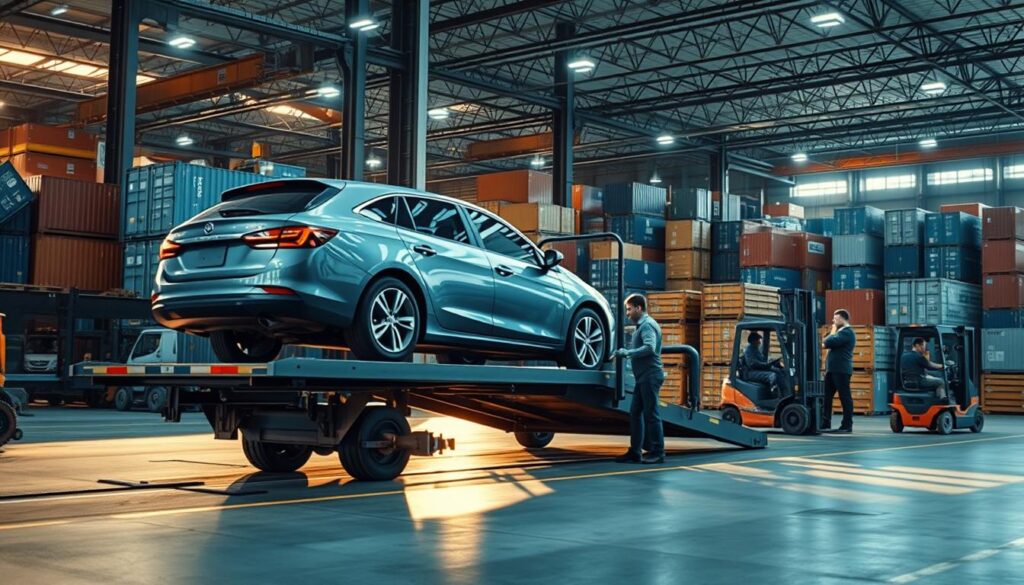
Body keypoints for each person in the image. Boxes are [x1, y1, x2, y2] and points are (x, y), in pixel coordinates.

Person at [612, 294, 666, 465]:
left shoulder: (647, 325)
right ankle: (635, 451)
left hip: (650, 376)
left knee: (651, 415)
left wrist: (627, 353)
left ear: (638, 308)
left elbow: (650, 347)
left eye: (629, 309)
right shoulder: (641, 326)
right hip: (643, 377)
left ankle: (658, 452)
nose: (627, 313)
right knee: (635, 413)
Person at [822, 309, 856, 433]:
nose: (833, 321)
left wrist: (832, 330)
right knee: (826, 397)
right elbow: (824, 341)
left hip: (841, 370)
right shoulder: (840, 332)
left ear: (843, 319)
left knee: (845, 397)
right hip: (832, 370)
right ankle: (825, 422)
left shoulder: (847, 333)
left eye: (835, 319)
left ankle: (847, 425)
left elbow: (828, 342)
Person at [900, 337, 950, 402]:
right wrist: (943, 366)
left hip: (907, 381)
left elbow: (926, 363)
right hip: (919, 381)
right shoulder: (919, 356)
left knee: (931, 377)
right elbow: (930, 366)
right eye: (923, 345)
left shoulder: (904, 356)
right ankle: (941, 399)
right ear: (917, 345)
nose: (924, 348)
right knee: (940, 382)